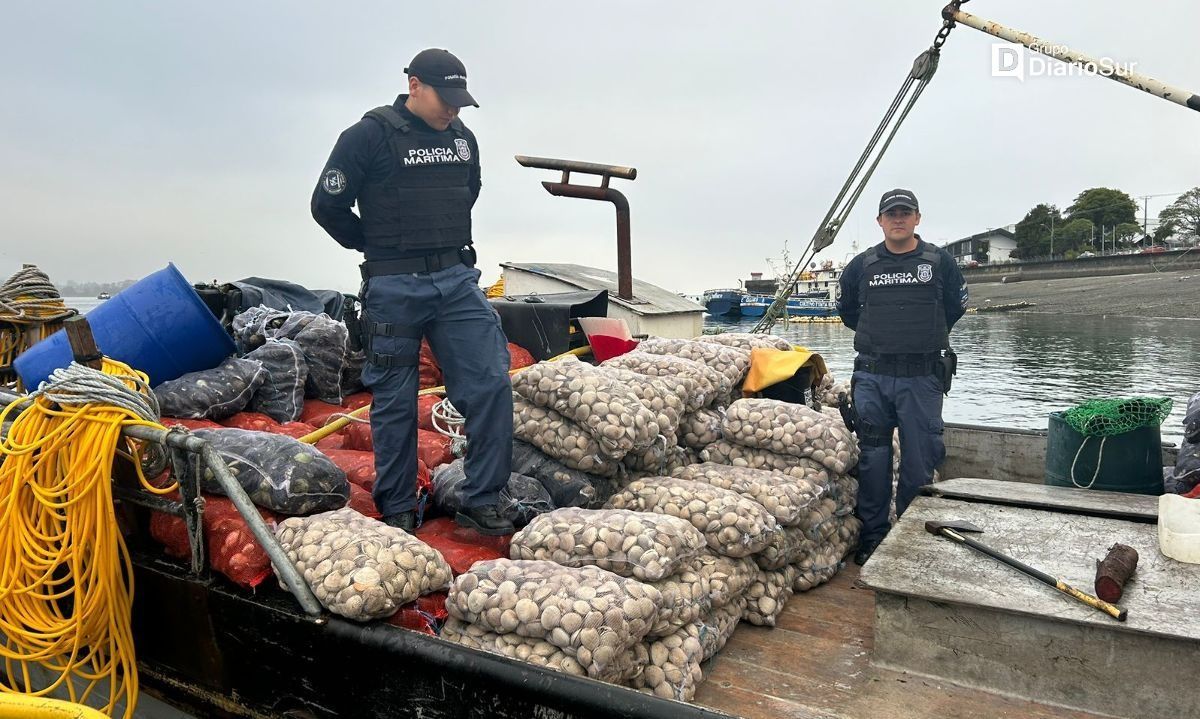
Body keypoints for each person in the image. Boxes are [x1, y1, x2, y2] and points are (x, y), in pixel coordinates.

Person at [311, 48, 514, 536]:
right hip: (394, 286)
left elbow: (470, 192)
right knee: (396, 400)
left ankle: (482, 497)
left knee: (490, 382)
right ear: (414, 84)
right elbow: (327, 205)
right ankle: (398, 507)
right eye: (445, 99)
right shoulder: (368, 135)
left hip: (457, 281)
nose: (453, 110)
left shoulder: (463, 139)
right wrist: (377, 245)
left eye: (461, 102)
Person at [837, 189, 967, 565]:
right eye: (890, 213)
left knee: (919, 461)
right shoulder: (861, 266)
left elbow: (954, 308)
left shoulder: (939, 262)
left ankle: (910, 537)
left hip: (921, 379)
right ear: (879, 221)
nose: (898, 218)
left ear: (917, 218)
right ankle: (874, 536)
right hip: (874, 379)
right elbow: (848, 312)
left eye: (905, 212)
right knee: (873, 460)